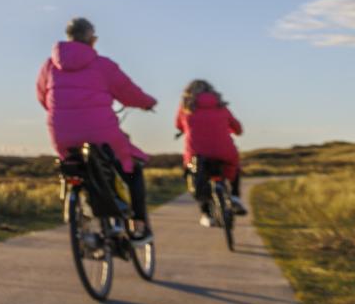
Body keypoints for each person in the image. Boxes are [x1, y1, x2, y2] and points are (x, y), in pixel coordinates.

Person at [36, 17, 158, 240]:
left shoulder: (49, 65)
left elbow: (42, 96)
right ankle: (139, 225)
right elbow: (128, 92)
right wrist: (148, 103)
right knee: (131, 168)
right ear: (92, 40)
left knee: (75, 166)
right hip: (102, 134)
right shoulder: (103, 65)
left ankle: (81, 211)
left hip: (62, 134)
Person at [175, 79, 246, 226]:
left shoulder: (185, 108)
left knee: (196, 177)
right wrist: (231, 129)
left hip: (197, 155)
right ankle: (235, 196)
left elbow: (178, 124)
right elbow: (238, 128)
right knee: (234, 164)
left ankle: (206, 214)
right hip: (224, 151)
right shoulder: (221, 107)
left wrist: (186, 127)